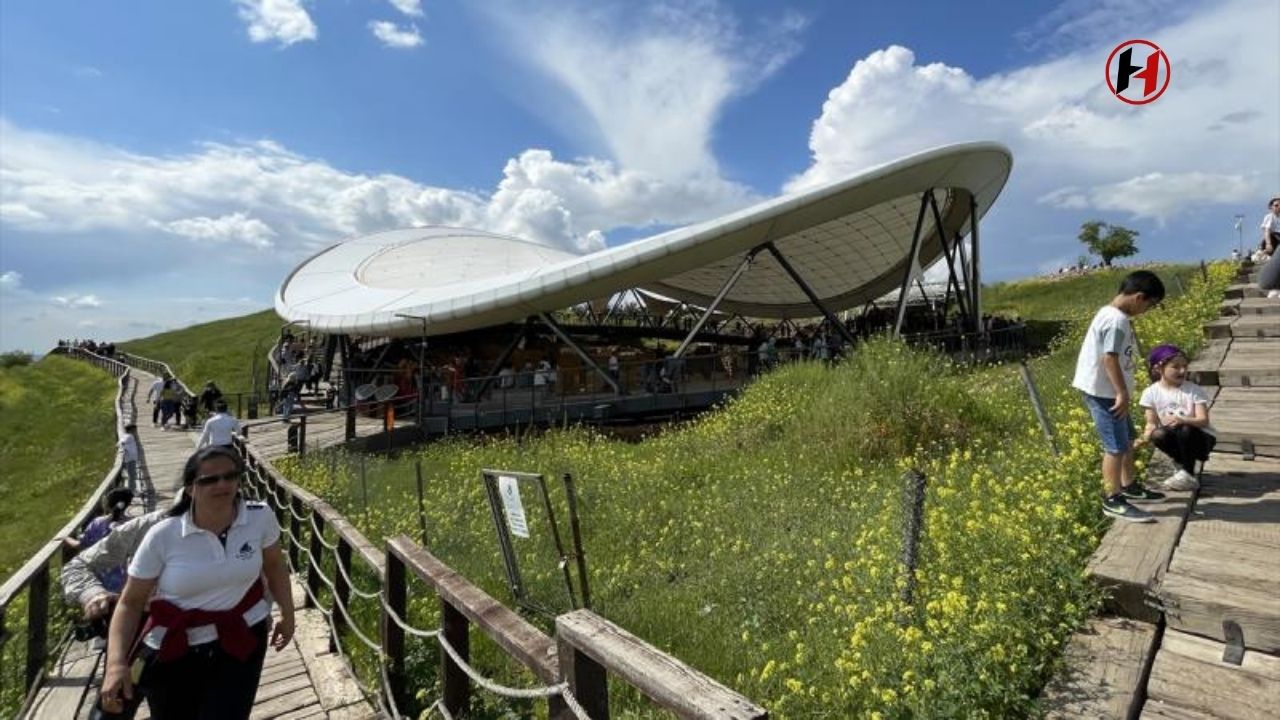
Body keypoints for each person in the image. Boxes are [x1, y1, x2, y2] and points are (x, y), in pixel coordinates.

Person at [101, 446, 294, 719]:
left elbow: (274, 565)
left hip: (242, 637)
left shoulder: (259, 516)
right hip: (175, 646)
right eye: (210, 480)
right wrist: (116, 664)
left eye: (230, 476)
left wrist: (288, 613)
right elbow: (130, 602)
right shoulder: (164, 535)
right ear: (191, 488)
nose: (223, 484)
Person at [1071, 270, 1167, 522]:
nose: (1148, 310)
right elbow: (1109, 357)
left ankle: (1129, 485)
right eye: (1151, 305)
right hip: (1105, 393)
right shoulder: (1116, 321)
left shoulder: (1109, 313)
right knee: (1114, 446)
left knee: (1126, 440)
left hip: (1107, 391)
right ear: (1139, 297)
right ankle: (1112, 499)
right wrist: (1121, 392)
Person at [1138, 345, 1216, 490]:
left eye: (1185, 367)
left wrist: (1182, 419)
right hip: (1177, 438)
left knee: (1185, 428)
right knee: (1158, 435)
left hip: (1202, 439)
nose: (1182, 371)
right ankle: (1184, 468)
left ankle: (1187, 473)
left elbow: (1203, 420)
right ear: (1159, 369)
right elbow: (1151, 424)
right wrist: (1142, 440)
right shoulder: (1150, 393)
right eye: (1175, 367)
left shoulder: (1193, 390)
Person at [116, 424, 141, 494]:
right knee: (132, 475)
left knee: (132, 475)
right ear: (131, 430)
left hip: (130, 458)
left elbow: (120, 443)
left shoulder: (125, 436)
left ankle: (132, 489)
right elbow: (120, 443)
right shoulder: (129, 436)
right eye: (135, 430)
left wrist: (124, 448)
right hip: (130, 459)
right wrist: (124, 449)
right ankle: (131, 491)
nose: (136, 432)